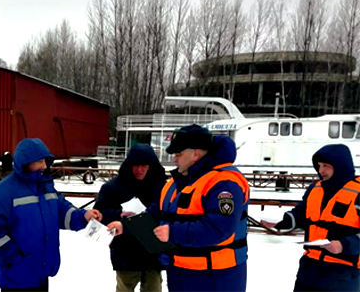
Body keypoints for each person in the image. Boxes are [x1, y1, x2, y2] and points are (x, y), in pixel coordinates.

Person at [109, 124, 250, 292]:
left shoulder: (224, 182)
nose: (175, 159)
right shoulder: (175, 184)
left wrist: (173, 232)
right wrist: (124, 226)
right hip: (180, 272)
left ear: (196, 154)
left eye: (179, 154)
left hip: (215, 277)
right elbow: (155, 213)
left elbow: (219, 228)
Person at [0, 138, 102, 291]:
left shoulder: (46, 187)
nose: (44, 166)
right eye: (39, 162)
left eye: (45, 161)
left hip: (42, 272)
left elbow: (62, 212)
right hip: (16, 278)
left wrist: (84, 216)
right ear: (25, 162)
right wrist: (15, 260)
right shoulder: (3, 192)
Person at [262, 144, 360, 291]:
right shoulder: (315, 189)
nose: (321, 171)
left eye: (326, 165)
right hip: (309, 270)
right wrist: (282, 223)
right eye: (319, 166)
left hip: (343, 275)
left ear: (340, 165)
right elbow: (300, 213)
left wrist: (343, 245)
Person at [94, 144, 166, 292]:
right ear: (129, 165)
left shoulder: (162, 187)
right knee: (124, 289)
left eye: (144, 165)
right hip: (126, 252)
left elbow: (169, 212)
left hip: (153, 251)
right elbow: (99, 213)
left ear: (151, 165)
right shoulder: (112, 187)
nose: (140, 170)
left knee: (154, 288)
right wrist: (118, 214)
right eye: (136, 165)